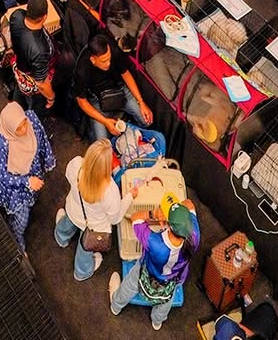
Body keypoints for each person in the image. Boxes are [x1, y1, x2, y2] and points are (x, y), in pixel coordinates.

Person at [108, 196, 199, 330]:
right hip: (173, 280)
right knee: (166, 301)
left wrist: (154, 214)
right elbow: (190, 204)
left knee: (130, 284)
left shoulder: (155, 243)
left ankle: (116, 305)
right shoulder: (195, 236)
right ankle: (157, 321)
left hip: (148, 274)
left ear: (168, 225)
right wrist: (178, 214)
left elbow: (135, 218)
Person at [55, 139, 136, 281]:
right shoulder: (110, 190)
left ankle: (61, 238)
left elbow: (68, 177)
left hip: (74, 210)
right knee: (85, 248)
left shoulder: (76, 164)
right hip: (93, 227)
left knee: (67, 222)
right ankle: (82, 271)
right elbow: (115, 218)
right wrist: (130, 196)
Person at [0, 102, 55, 251]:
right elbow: (2, 176)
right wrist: (27, 182)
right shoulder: (0, 143)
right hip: (16, 189)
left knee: (31, 203)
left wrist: (48, 160)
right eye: (18, 129)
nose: (24, 129)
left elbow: (43, 139)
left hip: (34, 174)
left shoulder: (31, 118)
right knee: (21, 220)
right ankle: (17, 240)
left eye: (24, 123)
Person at [73, 32, 153, 141]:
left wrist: (141, 101)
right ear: (93, 60)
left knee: (146, 120)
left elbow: (125, 74)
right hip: (97, 98)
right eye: (104, 61)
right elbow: (82, 101)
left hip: (119, 88)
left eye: (109, 59)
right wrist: (105, 121)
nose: (108, 63)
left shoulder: (113, 51)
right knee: (102, 141)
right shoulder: (81, 70)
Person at [9, 0, 56, 114]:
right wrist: (51, 97)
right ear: (44, 17)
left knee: (20, 91)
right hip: (31, 79)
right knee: (34, 105)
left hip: (19, 66)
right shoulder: (39, 50)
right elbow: (41, 83)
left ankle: (17, 105)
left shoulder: (17, 15)